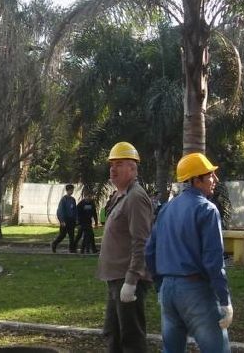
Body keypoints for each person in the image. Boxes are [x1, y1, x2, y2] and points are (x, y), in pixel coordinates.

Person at [145, 152, 233, 353]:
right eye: (210, 174)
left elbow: (149, 251)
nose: (215, 179)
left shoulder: (166, 209)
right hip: (195, 290)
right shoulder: (207, 209)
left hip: (168, 290)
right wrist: (224, 300)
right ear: (196, 179)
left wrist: (161, 286)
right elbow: (213, 261)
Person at [98, 141, 153, 353]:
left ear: (132, 168)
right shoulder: (119, 196)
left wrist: (131, 280)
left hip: (128, 278)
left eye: (119, 164)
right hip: (115, 278)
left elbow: (141, 241)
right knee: (113, 333)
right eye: (112, 164)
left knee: (131, 338)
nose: (113, 168)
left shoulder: (136, 197)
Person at [51, 184, 78, 253]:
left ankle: (72, 249)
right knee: (62, 235)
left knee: (72, 235)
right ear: (67, 191)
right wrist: (62, 220)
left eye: (72, 190)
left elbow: (75, 210)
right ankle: (54, 244)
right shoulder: (64, 199)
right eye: (70, 190)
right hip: (65, 220)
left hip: (71, 220)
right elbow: (60, 211)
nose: (71, 192)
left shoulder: (73, 199)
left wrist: (76, 219)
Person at [77, 189, 99, 254]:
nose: (89, 198)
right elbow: (77, 213)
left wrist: (96, 222)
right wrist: (78, 221)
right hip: (83, 222)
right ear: (85, 196)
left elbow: (94, 213)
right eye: (88, 196)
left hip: (89, 222)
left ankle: (90, 249)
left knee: (90, 235)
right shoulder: (81, 204)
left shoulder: (92, 203)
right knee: (87, 235)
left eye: (90, 196)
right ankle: (85, 250)